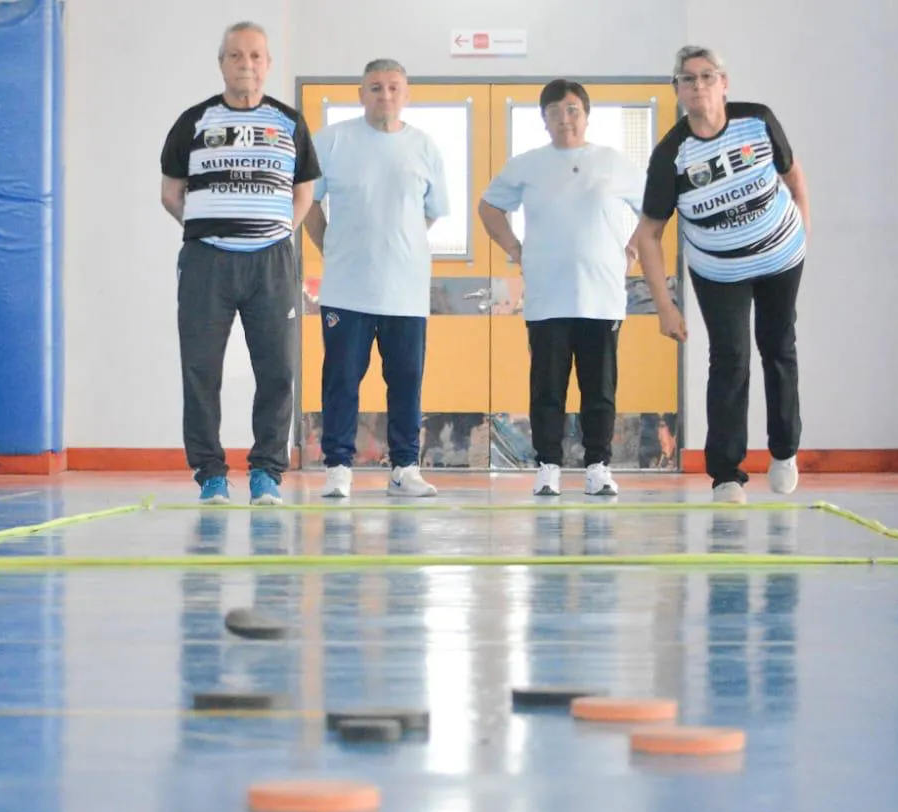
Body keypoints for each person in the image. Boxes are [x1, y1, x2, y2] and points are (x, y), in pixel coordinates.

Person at [634, 45, 810, 504]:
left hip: (779, 258)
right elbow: (648, 235)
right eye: (688, 79)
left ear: (724, 84)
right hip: (719, 271)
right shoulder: (671, 154)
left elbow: (794, 178)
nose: (698, 86)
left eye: (707, 77)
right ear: (677, 91)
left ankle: (785, 450)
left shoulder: (758, 120)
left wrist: (803, 234)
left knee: (778, 346)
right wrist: (665, 307)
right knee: (730, 359)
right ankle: (727, 474)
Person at [160, 22, 320, 506]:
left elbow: (304, 194)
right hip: (207, 263)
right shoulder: (193, 121)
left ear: (267, 64)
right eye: (235, 56)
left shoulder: (290, 123)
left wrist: (272, 233)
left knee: (276, 370)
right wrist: (211, 229)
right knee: (201, 370)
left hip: (271, 264)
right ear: (222, 63)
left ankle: (266, 474)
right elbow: (171, 193)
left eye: (255, 56)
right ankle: (210, 474)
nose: (245, 64)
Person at [478, 79, 645, 498]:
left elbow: (654, 210)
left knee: (599, 388)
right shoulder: (527, 165)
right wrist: (515, 249)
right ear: (544, 120)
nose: (564, 118)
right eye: (555, 111)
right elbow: (489, 207)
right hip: (548, 297)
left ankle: (597, 466)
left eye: (572, 109)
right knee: (547, 388)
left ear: (586, 115)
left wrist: (633, 249)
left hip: (602, 296)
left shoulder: (613, 163)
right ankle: (548, 466)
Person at [303, 58, 448, 500]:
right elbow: (308, 201)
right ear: (360, 93)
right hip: (347, 289)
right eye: (375, 87)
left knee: (406, 380)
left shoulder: (424, 147)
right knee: (342, 380)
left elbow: (430, 211)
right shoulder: (332, 141)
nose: (384, 95)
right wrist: (330, 244)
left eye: (392, 87)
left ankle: (405, 467)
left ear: (406, 94)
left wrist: (396, 243)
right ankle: (338, 468)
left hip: (405, 292)